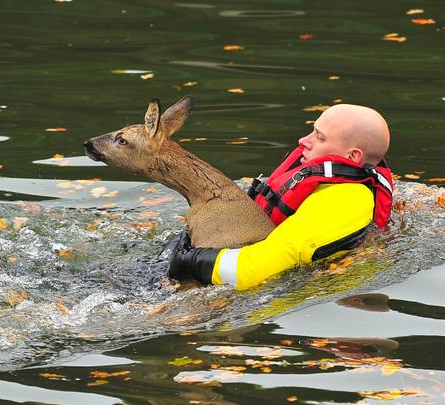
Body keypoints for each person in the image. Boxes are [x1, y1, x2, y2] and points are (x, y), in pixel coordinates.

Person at [166, 103, 394, 290]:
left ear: (352, 156)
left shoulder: (342, 204)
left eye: (320, 137)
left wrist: (191, 260)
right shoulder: (331, 184)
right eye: (312, 131)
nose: (303, 141)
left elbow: (251, 271)